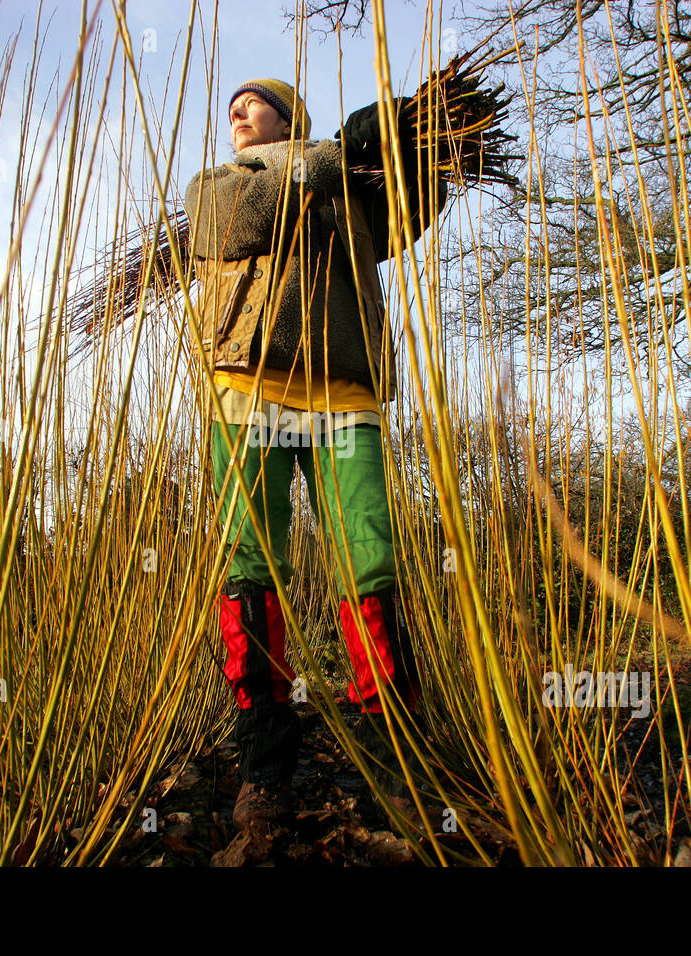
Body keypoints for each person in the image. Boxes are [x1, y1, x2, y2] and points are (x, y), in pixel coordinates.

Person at [184, 78, 445, 829]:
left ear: (291, 116)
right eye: (229, 105)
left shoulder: (350, 188)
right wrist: (326, 156)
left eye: (252, 103)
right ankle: (266, 763)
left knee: (369, 555)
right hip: (248, 386)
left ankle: (394, 753)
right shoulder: (219, 182)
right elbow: (232, 227)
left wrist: (404, 142)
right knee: (250, 564)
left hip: (344, 390)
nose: (235, 112)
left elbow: (410, 213)